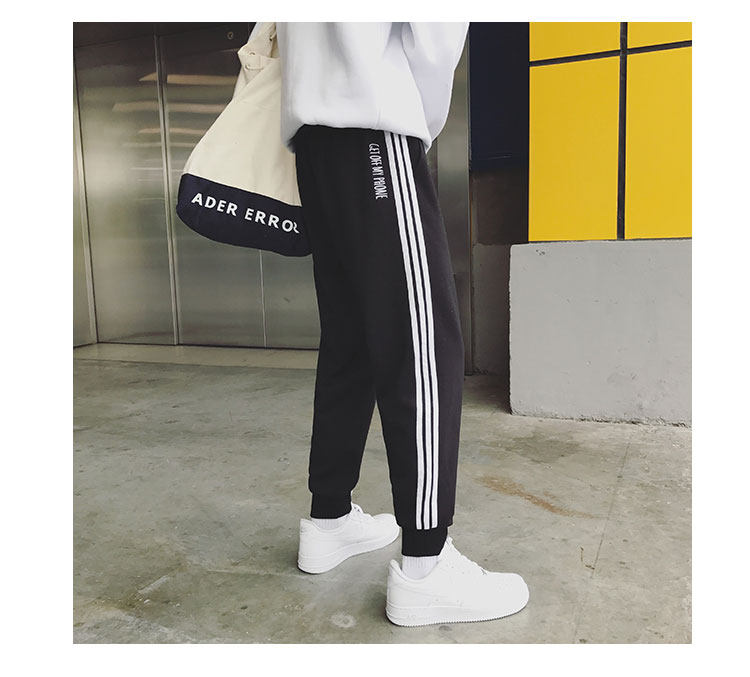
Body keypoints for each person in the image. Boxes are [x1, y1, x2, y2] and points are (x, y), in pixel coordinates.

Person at [273, 21, 529, 627]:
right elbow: (432, 36)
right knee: (422, 342)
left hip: (313, 141)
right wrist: (416, 122)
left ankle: (330, 517)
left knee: (351, 340)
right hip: (375, 128)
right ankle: (426, 565)